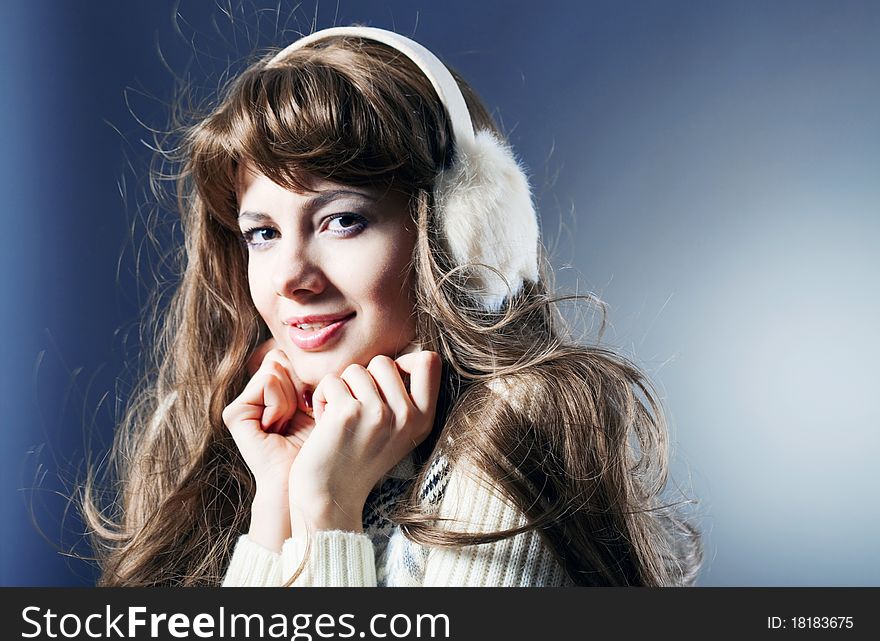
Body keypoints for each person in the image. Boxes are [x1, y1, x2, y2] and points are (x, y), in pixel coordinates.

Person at [84, 26, 702, 586]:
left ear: (458, 234)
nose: (292, 278)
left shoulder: (509, 432)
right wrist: (277, 504)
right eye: (264, 233)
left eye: (343, 220)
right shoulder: (286, 434)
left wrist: (328, 512)